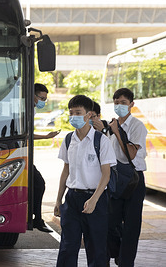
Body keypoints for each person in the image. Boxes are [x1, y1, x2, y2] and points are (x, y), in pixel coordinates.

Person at [54, 95, 116, 267]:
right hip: (72, 200)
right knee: (67, 246)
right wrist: (59, 199)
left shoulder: (101, 141)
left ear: (89, 115)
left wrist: (94, 199)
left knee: (96, 248)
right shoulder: (68, 140)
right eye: (71, 113)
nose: (73, 116)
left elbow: (106, 175)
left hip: (95, 200)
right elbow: (65, 171)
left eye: (78, 113)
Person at [107, 88, 148, 267]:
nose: (119, 106)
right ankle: (117, 253)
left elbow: (131, 154)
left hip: (134, 179)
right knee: (111, 221)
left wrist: (117, 132)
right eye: (116, 102)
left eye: (123, 103)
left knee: (131, 226)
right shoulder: (112, 125)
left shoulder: (137, 126)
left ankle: (126, 262)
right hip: (116, 178)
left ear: (131, 104)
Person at [32, 83, 60, 232]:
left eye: (45, 99)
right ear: (33, 95)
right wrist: (45, 136)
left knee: (38, 184)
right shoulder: (26, 109)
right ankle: (36, 219)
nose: (43, 101)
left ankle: (36, 218)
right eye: (41, 98)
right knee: (39, 184)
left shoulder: (32, 109)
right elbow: (27, 134)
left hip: (24, 154)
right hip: (19, 155)